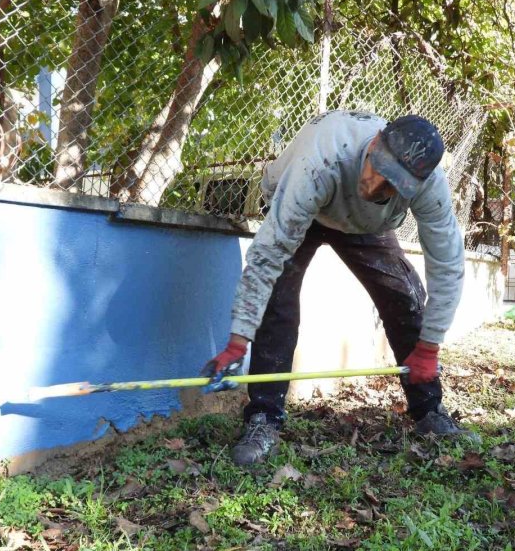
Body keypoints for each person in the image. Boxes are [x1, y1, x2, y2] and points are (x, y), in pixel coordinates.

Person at [201, 110, 474, 466]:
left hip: (364, 224)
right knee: (277, 302)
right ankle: (264, 419)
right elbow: (268, 255)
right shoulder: (319, 162)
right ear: (374, 145)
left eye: (392, 184)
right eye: (378, 170)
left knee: (404, 297)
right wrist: (238, 341)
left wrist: (429, 347)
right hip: (306, 205)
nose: (374, 187)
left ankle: (429, 410)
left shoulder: (429, 183)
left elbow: (448, 264)